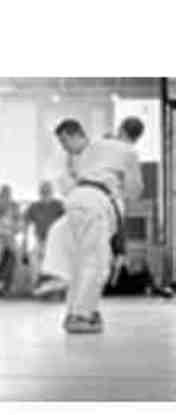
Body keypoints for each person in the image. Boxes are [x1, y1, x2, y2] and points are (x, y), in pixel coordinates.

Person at [48, 118, 143, 333]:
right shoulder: (128, 151)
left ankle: (74, 312)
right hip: (96, 203)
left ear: (120, 128)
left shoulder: (94, 145)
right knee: (96, 264)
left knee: (80, 262)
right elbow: (134, 190)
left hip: (75, 200)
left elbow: (72, 171)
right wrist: (122, 185)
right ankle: (82, 316)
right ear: (137, 138)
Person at [22, 181, 65, 288]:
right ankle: (36, 283)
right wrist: (24, 241)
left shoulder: (58, 205)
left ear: (51, 192)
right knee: (34, 258)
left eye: (47, 191)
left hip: (55, 241)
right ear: (40, 193)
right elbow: (25, 223)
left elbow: (67, 221)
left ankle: (52, 285)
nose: (45, 194)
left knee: (52, 261)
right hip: (40, 240)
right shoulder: (34, 206)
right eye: (43, 191)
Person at [0, 185, 21, 296]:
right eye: (3, 196)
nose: (6, 198)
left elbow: (17, 228)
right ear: (0, 196)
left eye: (7, 195)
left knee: (16, 254)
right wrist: (4, 236)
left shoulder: (15, 207)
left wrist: (10, 234)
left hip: (11, 237)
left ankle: (7, 284)